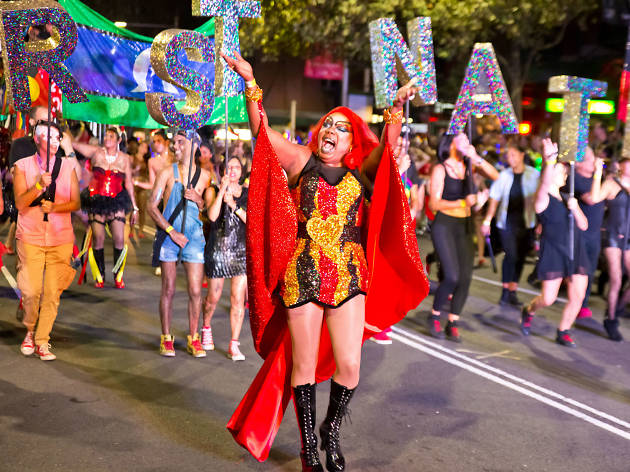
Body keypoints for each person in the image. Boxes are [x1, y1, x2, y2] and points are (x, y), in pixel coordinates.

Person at [223, 52, 428, 471]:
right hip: (303, 273)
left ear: (353, 142)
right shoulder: (300, 161)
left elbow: (388, 148)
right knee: (302, 365)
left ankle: (330, 431)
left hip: (350, 275)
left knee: (350, 363)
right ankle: (307, 450)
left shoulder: (361, 171)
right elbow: (261, 132)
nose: (331, 131)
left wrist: (397, 108)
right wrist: (250, 82)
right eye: (327, 125)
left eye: (342, 128)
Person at [14, 121, 79, 360]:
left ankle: (42, 340)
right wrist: (40, 184)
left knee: (52, 292)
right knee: (31, 290)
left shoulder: (68, 166)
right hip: (30, 234)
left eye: (57, 137)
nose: (54, 141)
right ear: (37, 139)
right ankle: (30, 329)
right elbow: (21, 203)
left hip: (60, 236)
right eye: (49, 137)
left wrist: (56, 207)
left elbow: (75, 204)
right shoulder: (21, 166)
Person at [427, 133, 499, 342]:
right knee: (451, 276)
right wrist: (463, 203)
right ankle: (434, 316)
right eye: (462, 139)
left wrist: (476, 158)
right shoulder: (441, 169)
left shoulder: (470, 167)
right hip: (445, 225)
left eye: (468, 140)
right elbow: (434, 204)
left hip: (465, 225)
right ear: (450, 143)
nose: (467, 142)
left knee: (466, 278)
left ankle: (453, 321)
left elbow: (495, 176)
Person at [147, 130, 212, 357]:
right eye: (174, 142)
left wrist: (199, 200)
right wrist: (171, 232)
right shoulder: (166, 173)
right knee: (169, 288)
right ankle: (166, 337)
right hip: (170, 237)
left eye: (181, 142)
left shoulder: (205, 176)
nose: (175, 146)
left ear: (194, 145)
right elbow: (151, 207)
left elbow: (208, 209)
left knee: (195, 290)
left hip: (194, 238)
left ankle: (193, 338)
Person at [520, 139, 589, 347]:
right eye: (561, 171)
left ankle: (563, 330)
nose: (565, 174)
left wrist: (575, 207)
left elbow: (584, 225)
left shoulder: (568, 198)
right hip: (554, 251)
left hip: (575, 250)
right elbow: (543, 185)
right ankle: (529, 310)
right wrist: (550, 160)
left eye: (565, 172)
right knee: (548, 299)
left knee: (577, 297)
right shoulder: (542, 199)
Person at [72, 128, 138, 288]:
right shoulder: (96, 152)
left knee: (120, 239)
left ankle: (118, 275)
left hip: (117, 201)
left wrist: (135, 207)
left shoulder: (124, 159)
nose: (107, 138)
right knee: (98, 239)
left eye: (111, 136)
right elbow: (73, 145)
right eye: (106, 135)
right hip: (96, 200)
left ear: (118, 140)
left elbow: (128, 182)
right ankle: (99, 275)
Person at [482, 143, 539, 307]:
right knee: (511, 255)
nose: (510, 158)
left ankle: (513, 290)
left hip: (527, 222)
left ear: (522, 155)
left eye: (514, 154)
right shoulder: (504, 175)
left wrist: (541, 221)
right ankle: (505, 290)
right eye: (508, 155)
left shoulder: (533, 174)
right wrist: (487, 220)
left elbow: (540, 198)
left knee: (520, 257)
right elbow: (494, 199)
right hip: (506, 223)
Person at [587, 156, 628, 341]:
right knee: (616, 279)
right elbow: (595, 198)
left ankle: (617, 309)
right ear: (620, 165)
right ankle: (611, 320)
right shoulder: (612, 183)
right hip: (612, 235)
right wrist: (597, 172)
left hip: (629, 238)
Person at [567, 147, 606, 320]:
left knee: (590, 270)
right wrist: (598, 173)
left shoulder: (598, 178)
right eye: (590, 159)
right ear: (580, 164)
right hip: (580, 232)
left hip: (595, 233)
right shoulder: (576, 180)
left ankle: (583, 303)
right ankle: (576, 303)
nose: (594, 161)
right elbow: (591, 199)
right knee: (580, 271)